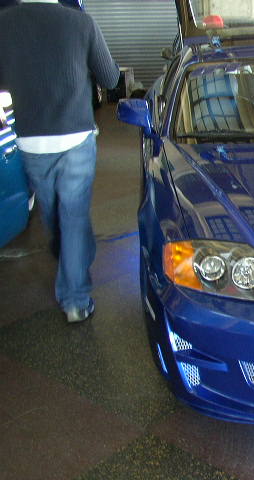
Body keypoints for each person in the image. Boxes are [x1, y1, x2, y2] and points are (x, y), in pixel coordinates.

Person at [0, 0, 119, 323]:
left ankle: (73, 262)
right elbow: (111, 79)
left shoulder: (4, 23)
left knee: (54, 213)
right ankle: (75, 301)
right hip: (76, 137)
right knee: (73, 216)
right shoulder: (81, 23)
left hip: (31, 140)